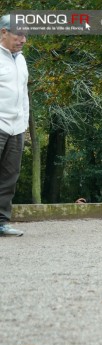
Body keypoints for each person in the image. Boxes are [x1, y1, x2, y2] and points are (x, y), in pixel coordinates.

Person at [0, 14, 28, 237]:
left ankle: (1, 222)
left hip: (16, 127)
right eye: (19, 34)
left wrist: (24, 122)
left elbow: (24, 93)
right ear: (3, 32)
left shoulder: (21, 59)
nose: (23, 39)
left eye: (25, 34)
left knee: (9, 177)